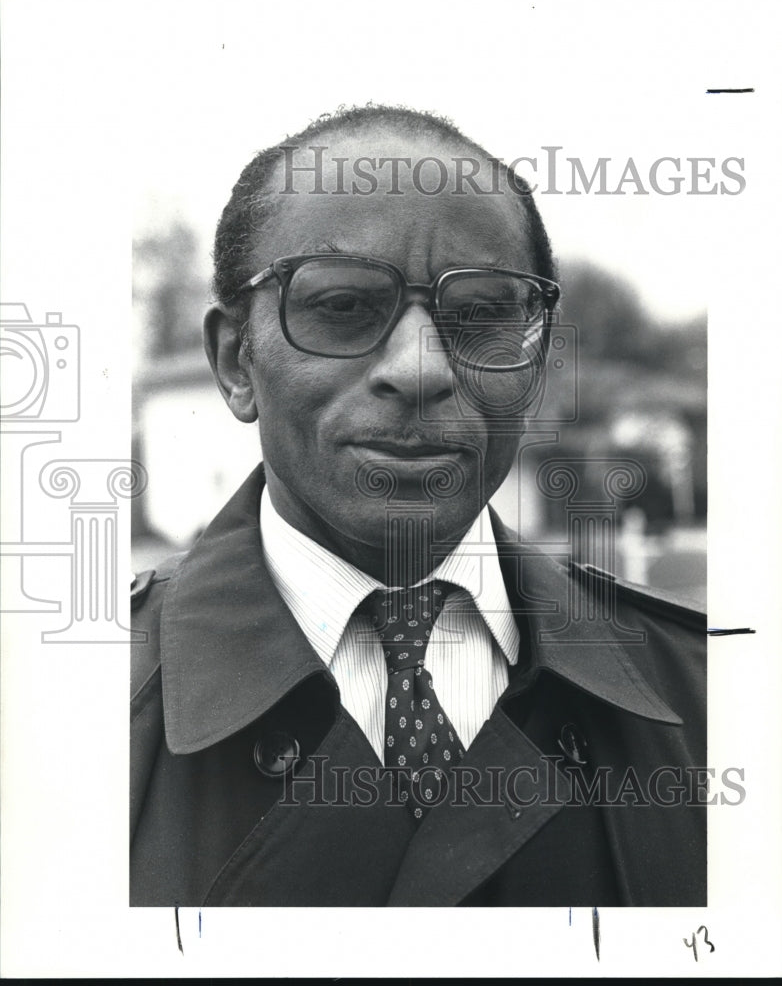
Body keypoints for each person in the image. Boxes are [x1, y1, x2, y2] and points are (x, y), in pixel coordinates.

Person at [130, 106, 706, 907]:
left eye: (481, 316)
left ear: (535, 367)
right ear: (237, 361)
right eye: (341, 307)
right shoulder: (77, 712)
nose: (421, 367)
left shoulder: (707, 698)